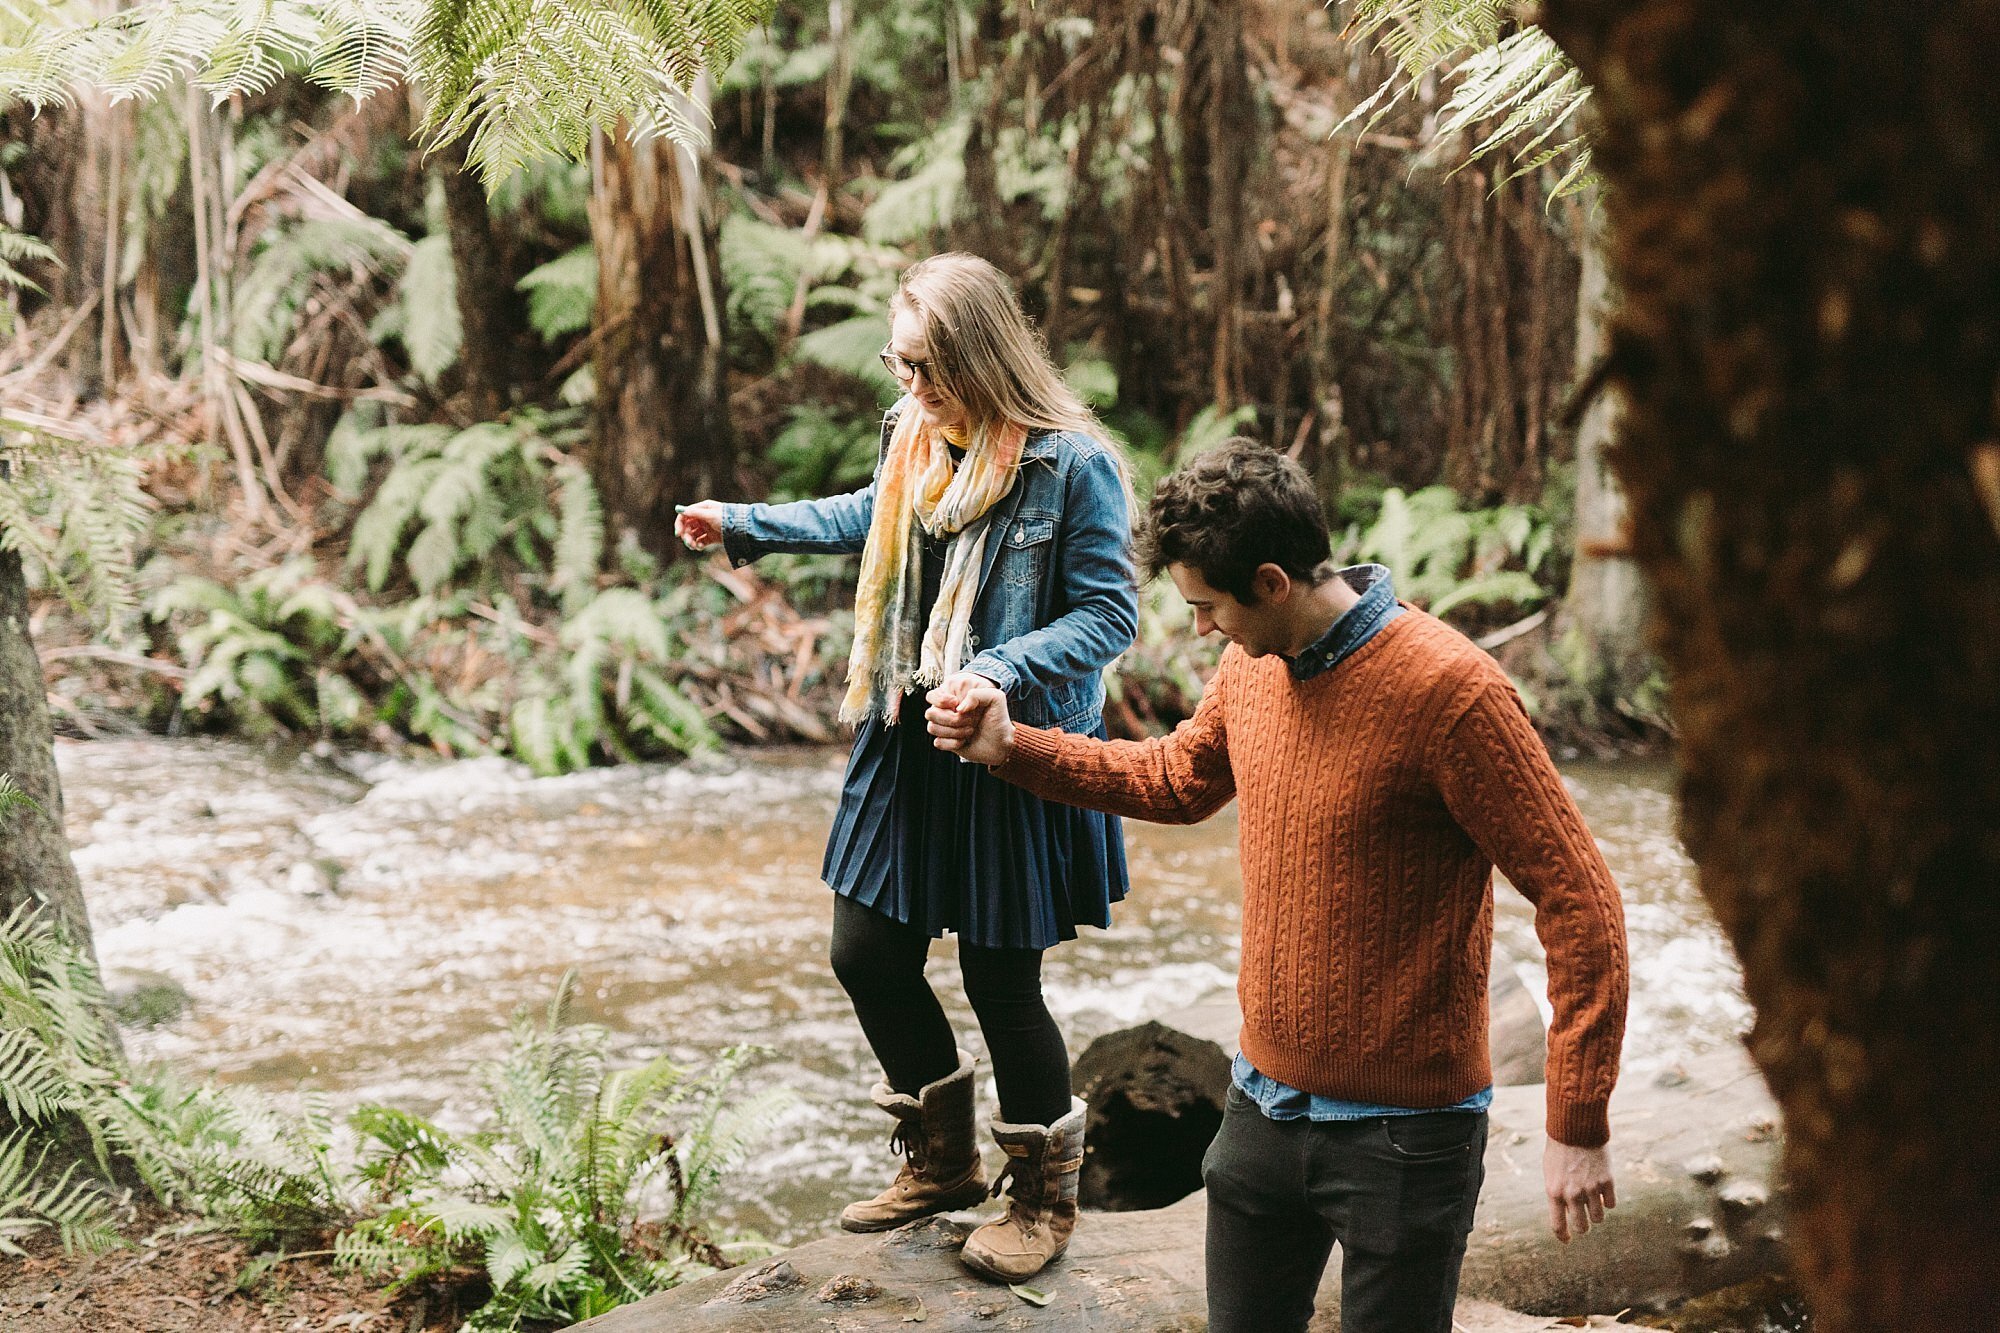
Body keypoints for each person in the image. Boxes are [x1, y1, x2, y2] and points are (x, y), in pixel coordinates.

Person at [925, 438, 1629, 1332]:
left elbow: (1581, 898)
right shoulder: (1251, 668)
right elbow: (1177, 779)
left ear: (1270, 581)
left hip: (1405, 1135)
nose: (1201, 630)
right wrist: (1015, 746)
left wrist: (1577, 1120)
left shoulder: (1454, 694)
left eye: (1207, 607)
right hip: (1261, 1108)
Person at [675, 253, 1136, 1283]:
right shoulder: (916, 428)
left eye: (927, 367)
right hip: (906, 728)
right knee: (864, 950)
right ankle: (943, 1159)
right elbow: (868, 511)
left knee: (997, 979)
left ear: (979, 359)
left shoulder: (1072, 464)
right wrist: (745, 523)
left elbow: (1109, 615)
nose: (910, 387)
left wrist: (993, 672)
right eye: (900, 364)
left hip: (1003, 746)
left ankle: (1041, 1197)